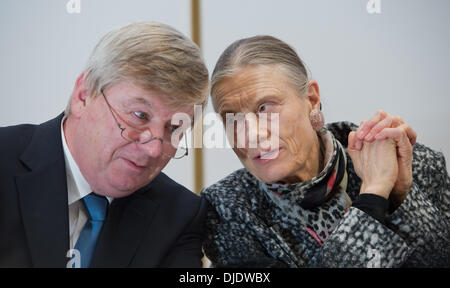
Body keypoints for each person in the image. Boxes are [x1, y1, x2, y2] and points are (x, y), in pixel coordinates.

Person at [201, 35, 450, 267]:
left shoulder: (409, 163)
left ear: (311, 99)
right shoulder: (226, 208)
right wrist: (373, 196)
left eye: (265, 108)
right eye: (232, 118)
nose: (250, 134)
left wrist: (401, 196)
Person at [0, 22, 209, 268]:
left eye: (174, 128)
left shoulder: (179, 215)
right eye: (140, 115)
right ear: (83, 96)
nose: (154, 149)